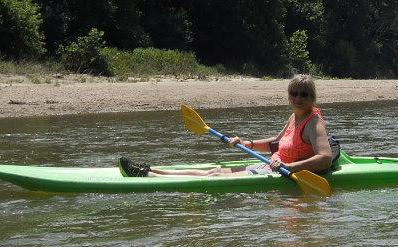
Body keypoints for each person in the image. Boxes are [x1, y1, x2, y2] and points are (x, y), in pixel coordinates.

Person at [118, 74, 335, 177]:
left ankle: (147, 176)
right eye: (294, 94)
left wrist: (291, 168)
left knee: (215, 176)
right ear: (289, 97)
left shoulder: (313, 122)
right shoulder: (294, 116)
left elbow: (324, 158)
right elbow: (274, 146)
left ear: (312, 98)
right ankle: (150, 169)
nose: (298, 98)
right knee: (215, 169)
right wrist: (246, 143)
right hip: (274, 166)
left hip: (285, 174)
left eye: (304, 95)